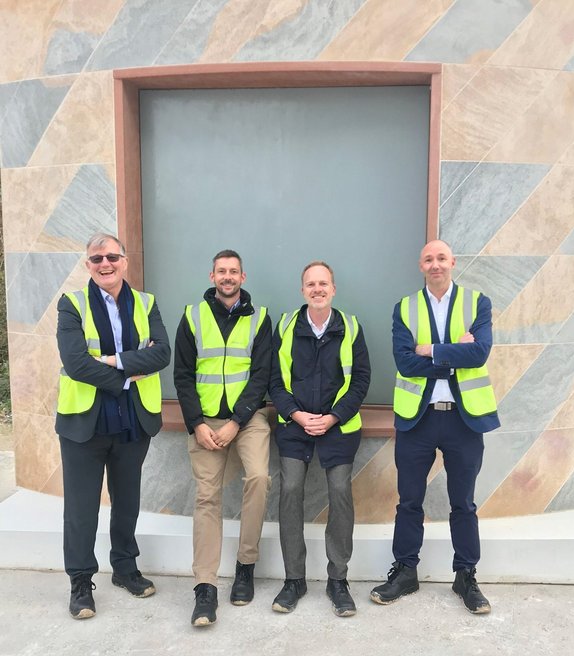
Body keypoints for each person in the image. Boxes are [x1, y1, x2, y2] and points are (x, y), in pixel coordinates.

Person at [370, 239, 499, 614]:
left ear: (453, 262)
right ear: (420, 265)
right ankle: (405, 571)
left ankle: (466, 576)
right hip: (418, 418)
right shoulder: (405, 308)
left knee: (464, 504)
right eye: (429, 259)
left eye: (441, 258)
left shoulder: (478, 303)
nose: (436, 264)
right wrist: (451, 353)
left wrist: (429, 349)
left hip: (463, 417)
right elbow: (405, 364)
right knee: (409, 501)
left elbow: (479, 353)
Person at [56, 232, 171, 620]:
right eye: (96, 259)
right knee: (81, 508)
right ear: (87, 264)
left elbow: (162, 354)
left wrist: (111, 360)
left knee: (127, 502)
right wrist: (125, 374)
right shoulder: (71, 304)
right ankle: (80, 582)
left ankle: (124, 568)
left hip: (131, 420)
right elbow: (75, 363)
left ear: (124, 261)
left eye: (111, 257)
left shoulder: (146, 302)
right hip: (84, 422)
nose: (105, 264)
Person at [173, 250, 272, 627]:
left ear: (243, 277)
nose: (227, 277)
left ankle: (246, 565)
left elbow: (262, 375)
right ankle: (205, 587)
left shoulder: (260, 319)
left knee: (260, 478)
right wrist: (197, 423)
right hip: (204, 421)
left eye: (234, 272)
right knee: (207, 496)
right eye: (221, 272)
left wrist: (236, 422)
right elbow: (182, 375)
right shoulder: (192, 316)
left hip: (248, 419)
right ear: (212, 275)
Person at [269, 261, 370, 617]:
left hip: (338, 427)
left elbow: (360, 380)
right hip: (295, 425)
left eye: (323, 283)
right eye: (310, 284)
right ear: (302, 291)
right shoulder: (285, 326)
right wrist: (297, 415)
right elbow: (274, 382)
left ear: (333, 288)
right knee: (291, 489)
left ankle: (337, 580)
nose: (317, 289)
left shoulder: (351, 327)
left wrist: (332, 417)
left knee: (340, 491)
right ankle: (294, 579)